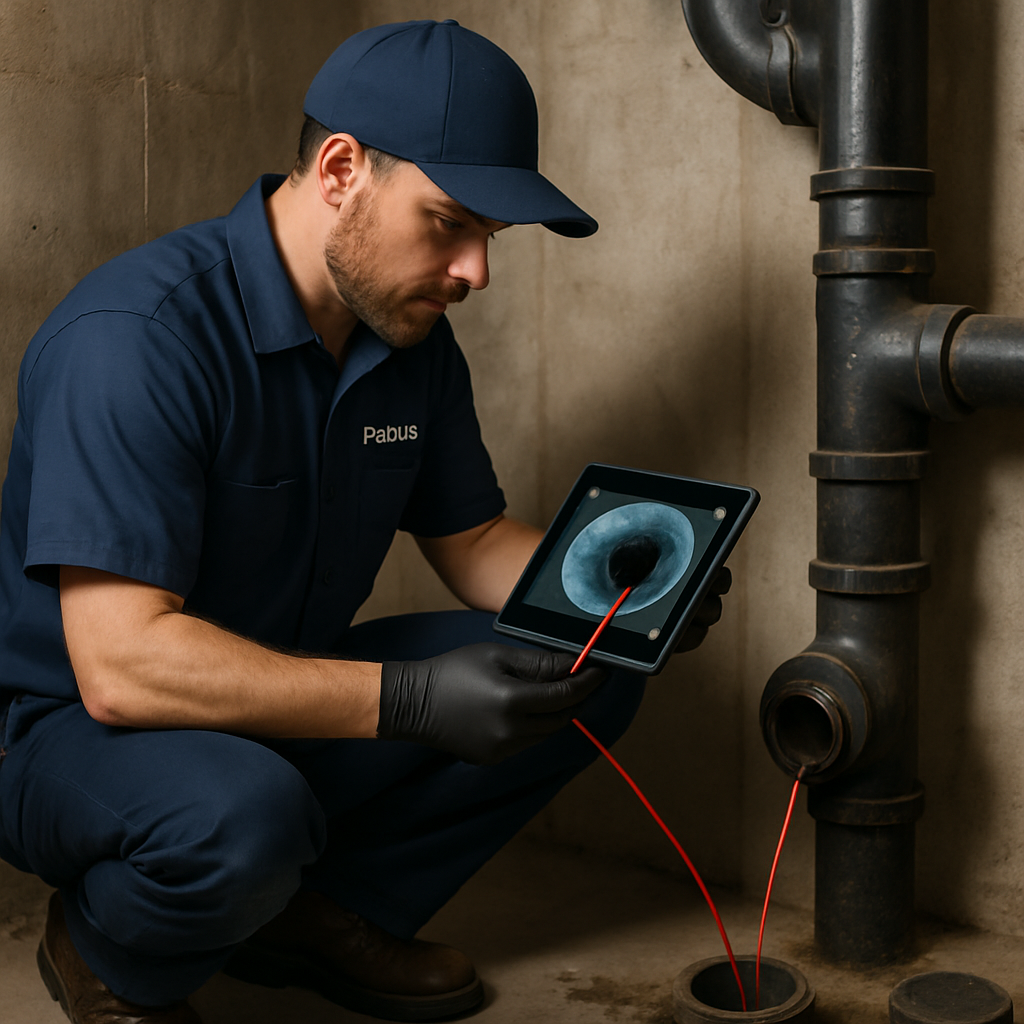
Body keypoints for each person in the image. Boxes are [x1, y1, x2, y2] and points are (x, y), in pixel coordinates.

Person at [0, 19, 727, 1024]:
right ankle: (106, 942)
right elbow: (122, 668)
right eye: (449, 222)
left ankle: (309, 914)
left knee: (581, 664)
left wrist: (616, 585)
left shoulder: (408, 338)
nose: (475, 271)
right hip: (76, 734)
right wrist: (415, 699)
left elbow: (472, 545)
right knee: (243, 816)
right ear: (342, 169)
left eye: (490, 237)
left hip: (276, 706)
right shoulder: (137, 340)